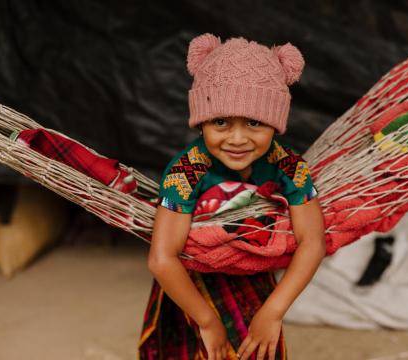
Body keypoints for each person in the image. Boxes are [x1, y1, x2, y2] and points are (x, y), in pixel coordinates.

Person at [139, 33, 326, 360]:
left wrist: (273, 313)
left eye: (255, 122)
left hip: (253, 276)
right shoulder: (186, 172)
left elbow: (313, 242)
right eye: (221, 122)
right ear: (201, 123)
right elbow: (162, 258)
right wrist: (208, 322)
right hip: (192, 284)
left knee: (258, 349)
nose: (237, 139)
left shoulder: (290, 167)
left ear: (275, 124)